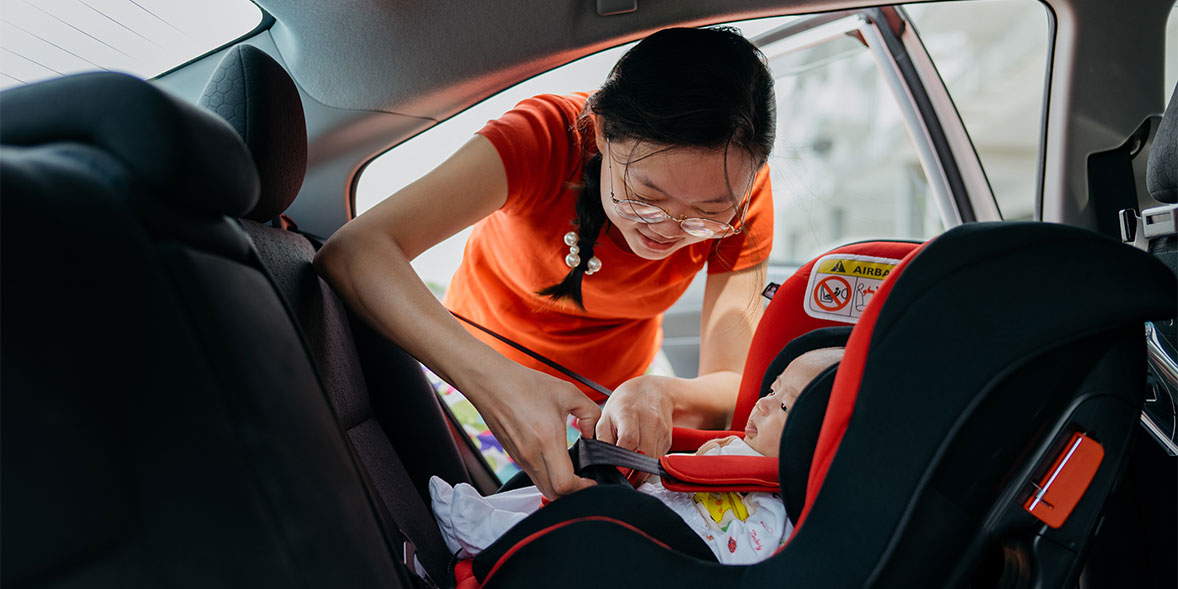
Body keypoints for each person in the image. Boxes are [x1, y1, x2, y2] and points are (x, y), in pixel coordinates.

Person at [314, 26, 777, 500]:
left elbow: (734, 385)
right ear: (599, 132)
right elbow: (357, 250)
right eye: (644, 197)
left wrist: (659, 393)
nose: (669, 228)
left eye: (707, 216)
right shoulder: (545, 138)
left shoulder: (743, 199)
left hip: (612, 409)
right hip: (472, 377)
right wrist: (500, 390)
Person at [429, 348, 844, 565]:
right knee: (575, 479)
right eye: (771, 391)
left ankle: (489, 534)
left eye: (786, 407)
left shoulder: (788, 502)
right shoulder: (737, 443)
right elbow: (691, 465)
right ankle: (485, 514)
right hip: (666, 497)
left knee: (596, 518)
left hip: (688, 544)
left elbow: (762, 552)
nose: (764, 405)